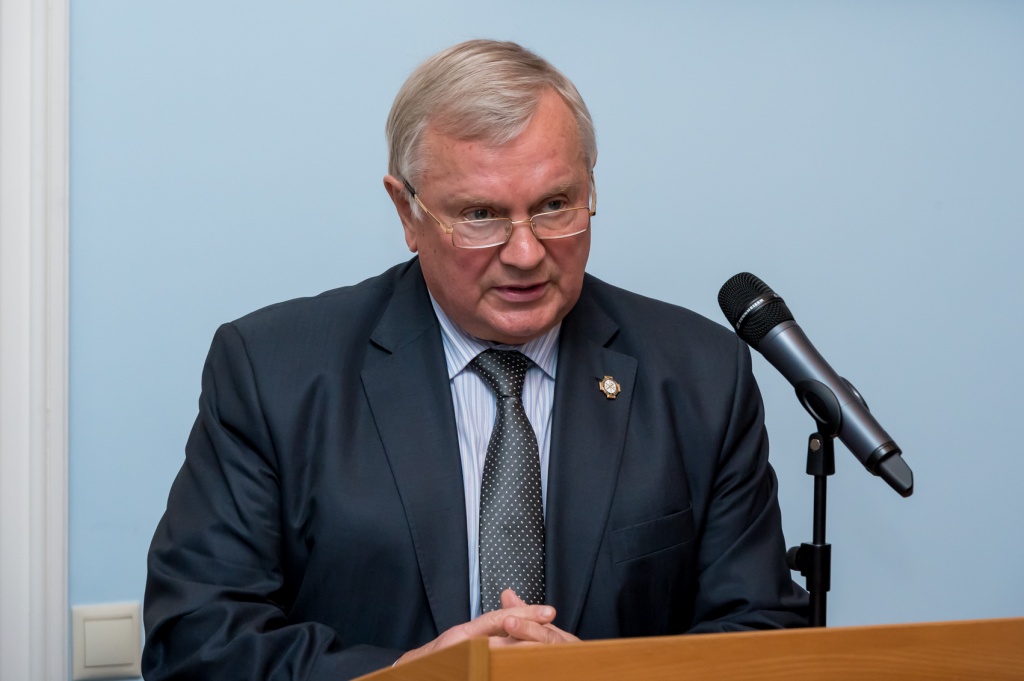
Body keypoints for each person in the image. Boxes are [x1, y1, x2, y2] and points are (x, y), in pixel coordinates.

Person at [142, 39, 807, 681]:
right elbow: (196, 641)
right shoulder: (273, 375)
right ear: (407, 211)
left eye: (555, 205)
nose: (526, 252)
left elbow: (762, 634)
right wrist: (407, 679)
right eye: (482, 214)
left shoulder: (700, 375)